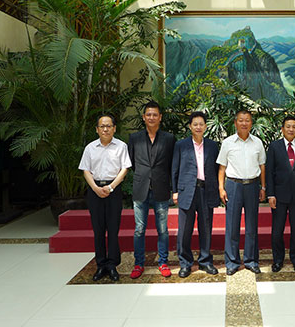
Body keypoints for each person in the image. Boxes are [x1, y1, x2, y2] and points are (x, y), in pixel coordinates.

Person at [78, 114, 131, 282]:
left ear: (114, 128)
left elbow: (124, 169)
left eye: (109, 126)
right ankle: (101, 264)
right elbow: (86, 170)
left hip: (113, 189)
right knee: (98, 229)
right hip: (95, 190)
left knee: (113, 229)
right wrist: (95, 188)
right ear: (97, 129)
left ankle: (112, 264)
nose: (105, 129)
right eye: (102, 126)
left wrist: (111, 187)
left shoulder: (121, 146)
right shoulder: (90, 148)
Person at [128, 101, 176, 279]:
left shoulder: (169, 139)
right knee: (139, 229)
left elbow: (172, 165)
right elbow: (131, 162)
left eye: (155, 114)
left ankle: (163, 262)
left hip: (161, 188)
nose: (151, 117)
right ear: (143, 117)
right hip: (140, 188)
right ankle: (138, 264)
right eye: (148, 114)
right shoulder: (134, 138)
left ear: (160, 117)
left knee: (162, 229)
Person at [217, 110, 266, 275]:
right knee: (232, 226)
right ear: (235, 123)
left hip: (252, 186)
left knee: (252, 225)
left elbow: (262, 166)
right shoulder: (227, 143)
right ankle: (232, 262)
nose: (244, 123)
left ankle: (251, 260)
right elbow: (222, 167)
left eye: (247, 120)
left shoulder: (257, 143)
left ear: (251, 123)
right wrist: (221, 188)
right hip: (233, 186)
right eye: (241, 120)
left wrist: (263, 187)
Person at [171, 111, 220, 278]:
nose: (198, 127)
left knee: (206, 227)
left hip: (206, 190)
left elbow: (217, 169)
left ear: (205, 126)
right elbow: (175, 169)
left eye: (201, 124)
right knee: (185, 229)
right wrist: (175, 191)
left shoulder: (212, 146)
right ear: (190, 126)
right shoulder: (181, 145)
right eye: (195, 124)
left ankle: (205, 261)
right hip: (187, 191)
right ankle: (185, 263)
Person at [265, 115, 295, 273]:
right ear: (282, 129)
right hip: (279, 195)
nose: (291, 129)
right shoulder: (274, 146)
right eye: (288, 126)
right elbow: (269, 172)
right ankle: (278, 260)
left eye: (294, 127)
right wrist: (270, 194)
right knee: (277, 231)